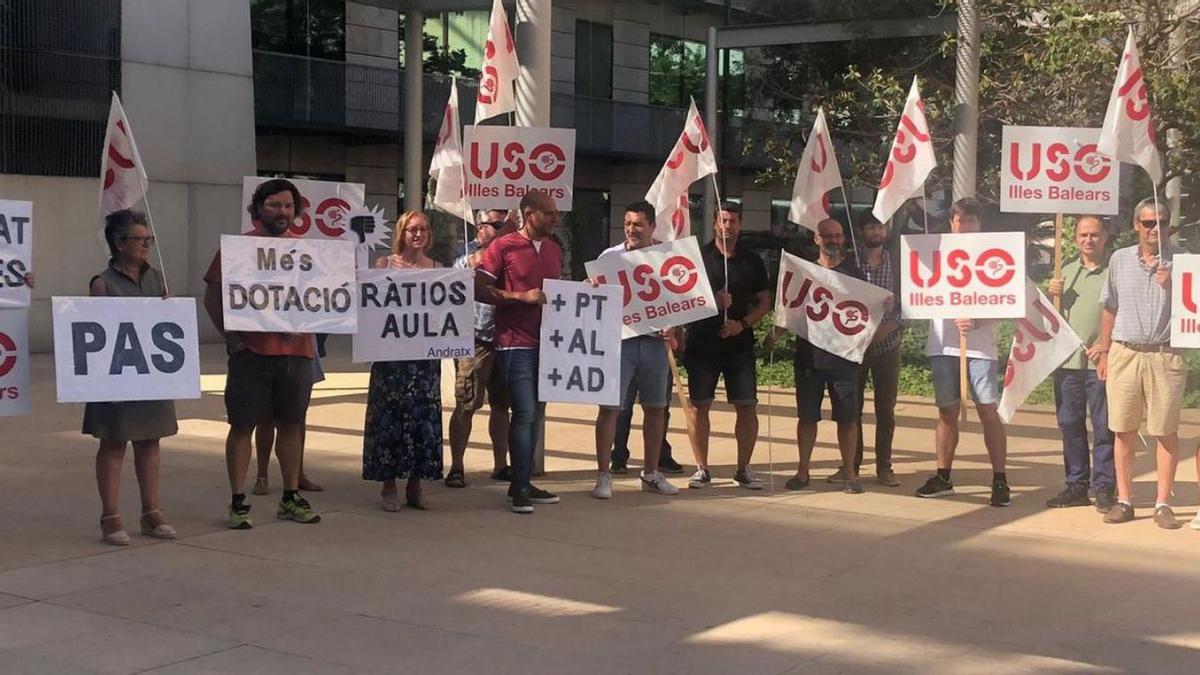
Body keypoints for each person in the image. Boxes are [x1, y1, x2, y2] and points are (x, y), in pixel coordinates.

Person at [203, 178, 320, 528]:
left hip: (297, 353)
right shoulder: (237, 250)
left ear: (295, 211)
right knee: (242, 426)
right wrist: (232, 337)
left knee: (292, 424)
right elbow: (212, 296)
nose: (281, 212)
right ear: (257, 209)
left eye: (287, 205)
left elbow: (326, 297)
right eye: (273, 205)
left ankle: (290, 496)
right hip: (250, 353)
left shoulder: (309, 252)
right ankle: (238, 501)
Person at [85, 209, 178, 545]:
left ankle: (152, 512)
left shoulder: (156, 278)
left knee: (150, 441)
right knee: (113, 444)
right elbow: (95, 332)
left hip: (151, 375)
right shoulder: (103, 283)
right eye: (139, 240)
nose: (145, 246)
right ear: (118, 243)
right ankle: (110, 517)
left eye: (148, 240)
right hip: (117, 376)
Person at [914, 198, 1011, 507]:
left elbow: (1009, 300)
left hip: (980, 348)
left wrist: (980, 319)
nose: (965, 226)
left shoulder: (995, 253)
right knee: (946, 411)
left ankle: (999, 479)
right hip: (943, 345)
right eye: (960, 221)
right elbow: (918, 288)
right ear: (951, 223)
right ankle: (943, 476)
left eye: (971, 221)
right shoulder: (934, 253)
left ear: (980, 224)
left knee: (987, 410)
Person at [1096, 198, 1186, 528]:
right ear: (1136, 225)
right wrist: (1104, 353)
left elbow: (1196, 308)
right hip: (1125, 353)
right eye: (1148, 223)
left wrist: (1174, 284)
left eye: (1160, 222)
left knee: (1166, 432)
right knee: (1123, 430)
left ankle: (1163, 503)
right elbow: (1109, 308)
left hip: (1165, 353)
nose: (1154, 229)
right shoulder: (1119, 260)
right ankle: (1124, 500)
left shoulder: (1184, 261)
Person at [476, 190, 564, 514]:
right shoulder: (503, 246)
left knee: (535, 414)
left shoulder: (555, 249)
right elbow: (479, 288)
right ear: (530, 215)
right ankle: (520, 487)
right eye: (550, 213)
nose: (556, 218)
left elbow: (559, 292)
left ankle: (522, 481)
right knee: (524, 412)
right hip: (515, 342)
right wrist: (519, 297)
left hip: (550, 345)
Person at [590, 201, 681, 499]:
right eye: (628, 223)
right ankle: (604, 475)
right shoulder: (609, 257)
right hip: (620, 344)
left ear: (652, 227)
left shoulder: (666, 258)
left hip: (655, 345)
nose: (631, 229)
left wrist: (674, 327)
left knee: (656, 409)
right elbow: (594, 299)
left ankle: (651, 473)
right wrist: (591, 286)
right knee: (610, 409)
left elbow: (679, 300)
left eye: (638, 224)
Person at [768, 218, 866, 494]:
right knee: (807, 417)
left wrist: (883, 304)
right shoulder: (804, 273)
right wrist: (775, 334)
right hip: (809, 357)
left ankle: (849, 474)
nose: (833, 240)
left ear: (844, 238)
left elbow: (866, 310)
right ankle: (803, 471)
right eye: (827, 236)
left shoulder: (855, 274)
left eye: (837, 236)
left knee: (847, 418)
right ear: (817, 239)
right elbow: (791, 308)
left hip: (843, 358)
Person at [682, 201, 770, 490]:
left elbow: (764, 301)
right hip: (702, 343)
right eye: (723, 220)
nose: (727, 225)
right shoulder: (698, 257)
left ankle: (743, 468)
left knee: (746, 406)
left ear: (740, 224)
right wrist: (712, 303)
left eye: (732, 221)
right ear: (714, 223)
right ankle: (702, 468)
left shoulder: (752, 260)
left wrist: (742, 323)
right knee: (699, 407)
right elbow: (682, 300)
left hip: (739, 344)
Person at [361, 210, 445, 510]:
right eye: (412, 229)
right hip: (390, 359)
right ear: (402, 233)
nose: (418, 234)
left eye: (422, 229)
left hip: (423, 361)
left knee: (422, 419)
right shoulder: (385, 265)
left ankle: (415, 485)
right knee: (390, 417)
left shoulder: (438, 269)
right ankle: (388, 486)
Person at [1045, 215, 1115, 512]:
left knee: (1104, 427)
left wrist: (1106, 345)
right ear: (1075, 239)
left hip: (1102, 362)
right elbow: (1048, 321)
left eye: (1094, 235)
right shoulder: (1064, 273)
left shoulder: (1115, 272)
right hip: (1068, 364)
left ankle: (1104, 487)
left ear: (1105, 237)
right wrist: (1052, 296)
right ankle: (1076, 485)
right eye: (1084, 235)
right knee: (1070, 425)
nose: (1089, 240)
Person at [446, 209, 512, 488]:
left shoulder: (513, 257)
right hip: (474, 340)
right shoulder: (465, 260)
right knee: (467, 403)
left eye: (503, 224)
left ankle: (501, 464)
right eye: (493, 224)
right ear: (479, 228)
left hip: (507, 338)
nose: (498, 229)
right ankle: (457, 466)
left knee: (502, 406)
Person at [847, 212, 903, 487]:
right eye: (870, 227)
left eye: (880, 227)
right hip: (854, 346)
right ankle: (852, 465)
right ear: (861, 231)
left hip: (888, 344)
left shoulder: (899, 264)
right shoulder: (849, 263)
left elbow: (913, 302)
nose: (876, 232)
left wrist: (891, 325)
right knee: (851, 409)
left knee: (886, 409)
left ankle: (884, 466)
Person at [251, 350, 325, 495]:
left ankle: (298, 475)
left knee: (298, 417)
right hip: (268, 350)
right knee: (266, 417)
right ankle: (262, 476)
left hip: (302, 349)